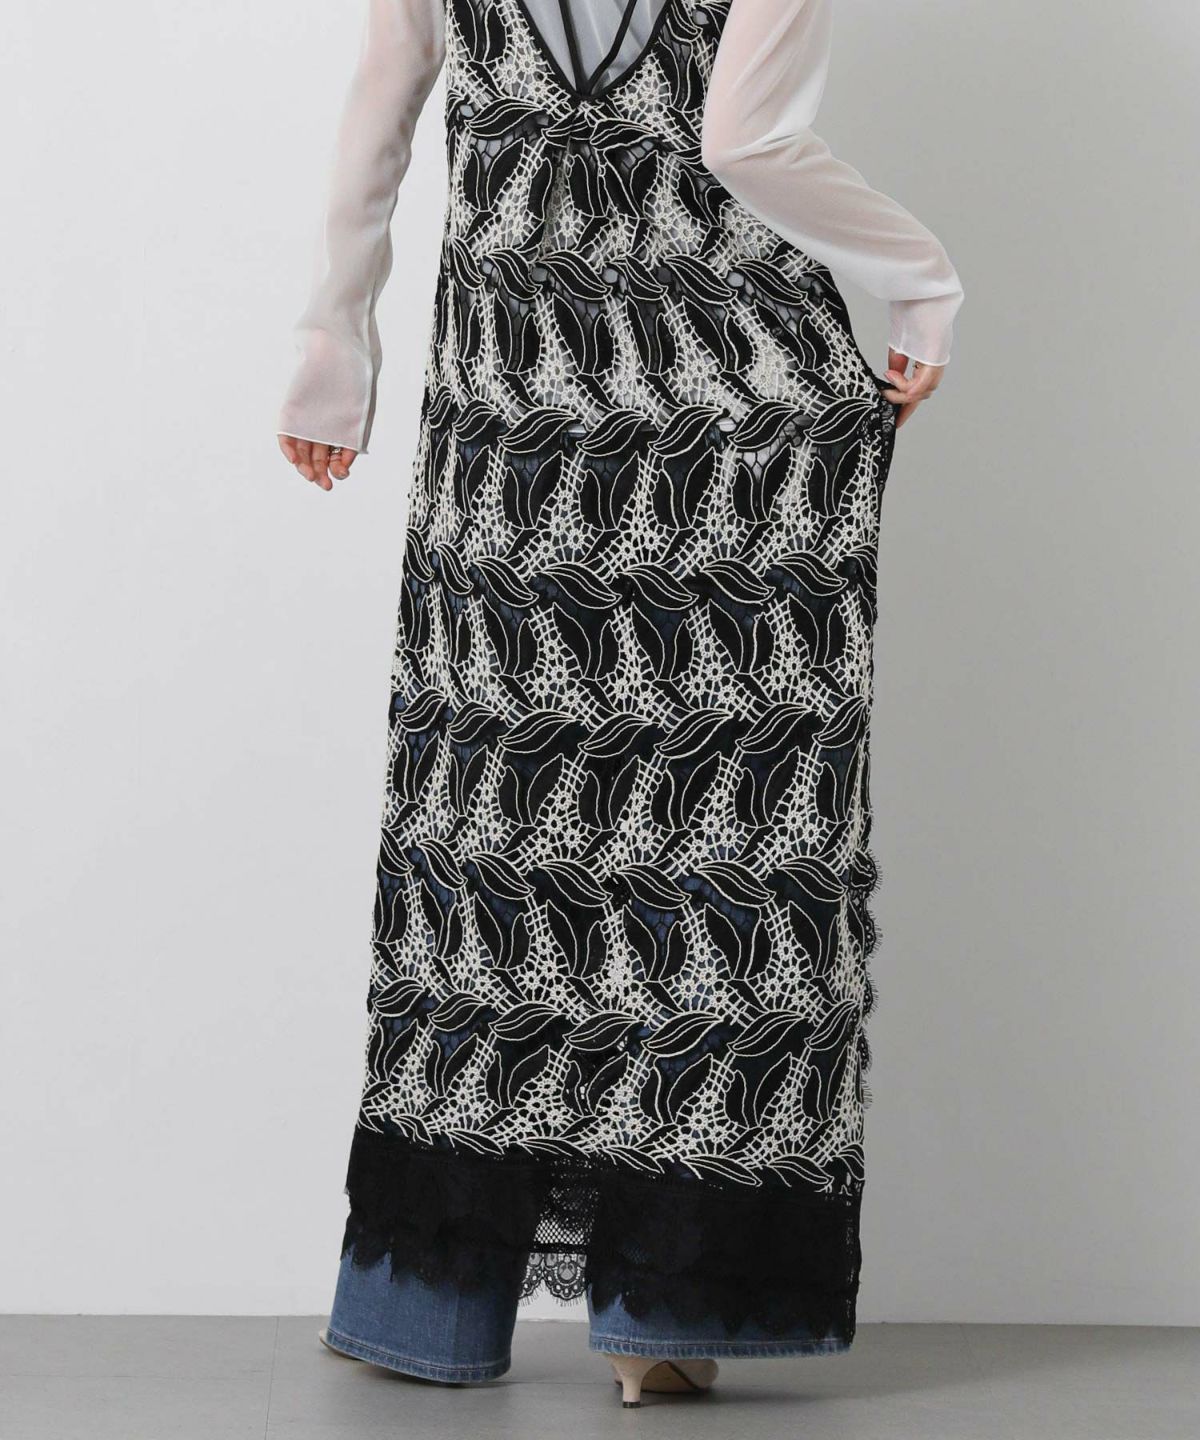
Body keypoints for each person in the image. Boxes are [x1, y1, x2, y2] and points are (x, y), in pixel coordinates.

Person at [276, 0, 963, 1407]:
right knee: (719, 850)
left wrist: (332, 356)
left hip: (511, 429)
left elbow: (385, 98)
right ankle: (665, 1316)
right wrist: (923, 280)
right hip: (718, 434)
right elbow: (746, 140)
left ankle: (433, 1307)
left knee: (492, 840)